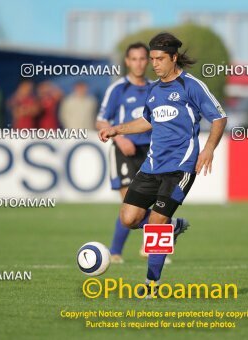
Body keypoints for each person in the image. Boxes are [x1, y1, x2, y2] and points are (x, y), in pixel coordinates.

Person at [98, 32, 227, 296]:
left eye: (159, 59)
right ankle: (173, 227)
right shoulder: (154, 90)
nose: (153, 64)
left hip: (180, 167)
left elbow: (219, 117)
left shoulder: (191, 86)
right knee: (128, 218)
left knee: (156, 222)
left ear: (174, 58)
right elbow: (148, 120)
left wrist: (209, 148)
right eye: (152, 59)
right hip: (151, 166)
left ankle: (152, 284)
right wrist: (118, 129)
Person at [96, 42, 171, 264]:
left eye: (142, 59)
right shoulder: (118, 89)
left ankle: (152, 250)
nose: (139, 63)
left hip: (152, 151)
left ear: (147, 61)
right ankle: (116, 252)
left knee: (159, 203)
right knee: (131, 202)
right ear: (127, 62)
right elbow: (101, 120)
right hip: (124, 151)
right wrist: (119, 138)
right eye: (134, 59)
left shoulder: (156, 88)